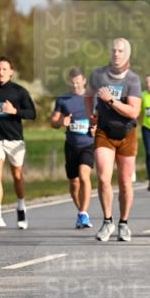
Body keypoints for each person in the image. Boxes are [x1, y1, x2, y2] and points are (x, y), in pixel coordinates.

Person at [86, 38, 142, 242]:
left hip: (127, 134)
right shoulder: (98, 75)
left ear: (127, 54)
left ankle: (124, 223)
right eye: (113, 50)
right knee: (103, 178)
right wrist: (91, 115)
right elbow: (88, 95)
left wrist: (111, 100)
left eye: (120, 51)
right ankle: (107, 221)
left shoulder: (133, 80)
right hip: (104, 132)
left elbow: (134, 111)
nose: (116, 54)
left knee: (125, 182)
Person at [0, 56, 36, 229]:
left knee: (17, 175)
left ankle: (21, 206)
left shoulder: (19, 91)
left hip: (14, 139)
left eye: (4, 69)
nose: (1, 72)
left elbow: (32, 114)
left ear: (11, 72)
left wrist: (14, 111)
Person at [50, 67, 94, 228]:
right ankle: (82, 213)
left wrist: (97, 128)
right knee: (74, 183)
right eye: (73, 83)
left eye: (78, 82)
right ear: (69, 82)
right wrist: (61, 122)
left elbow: (102, 118)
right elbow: (53, 121)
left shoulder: (92, 98)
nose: (75, 86)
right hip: (71, 145)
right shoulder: (63, 99)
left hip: (88, 144)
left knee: (84, 175)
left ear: (84, 81)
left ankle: (83, 213)